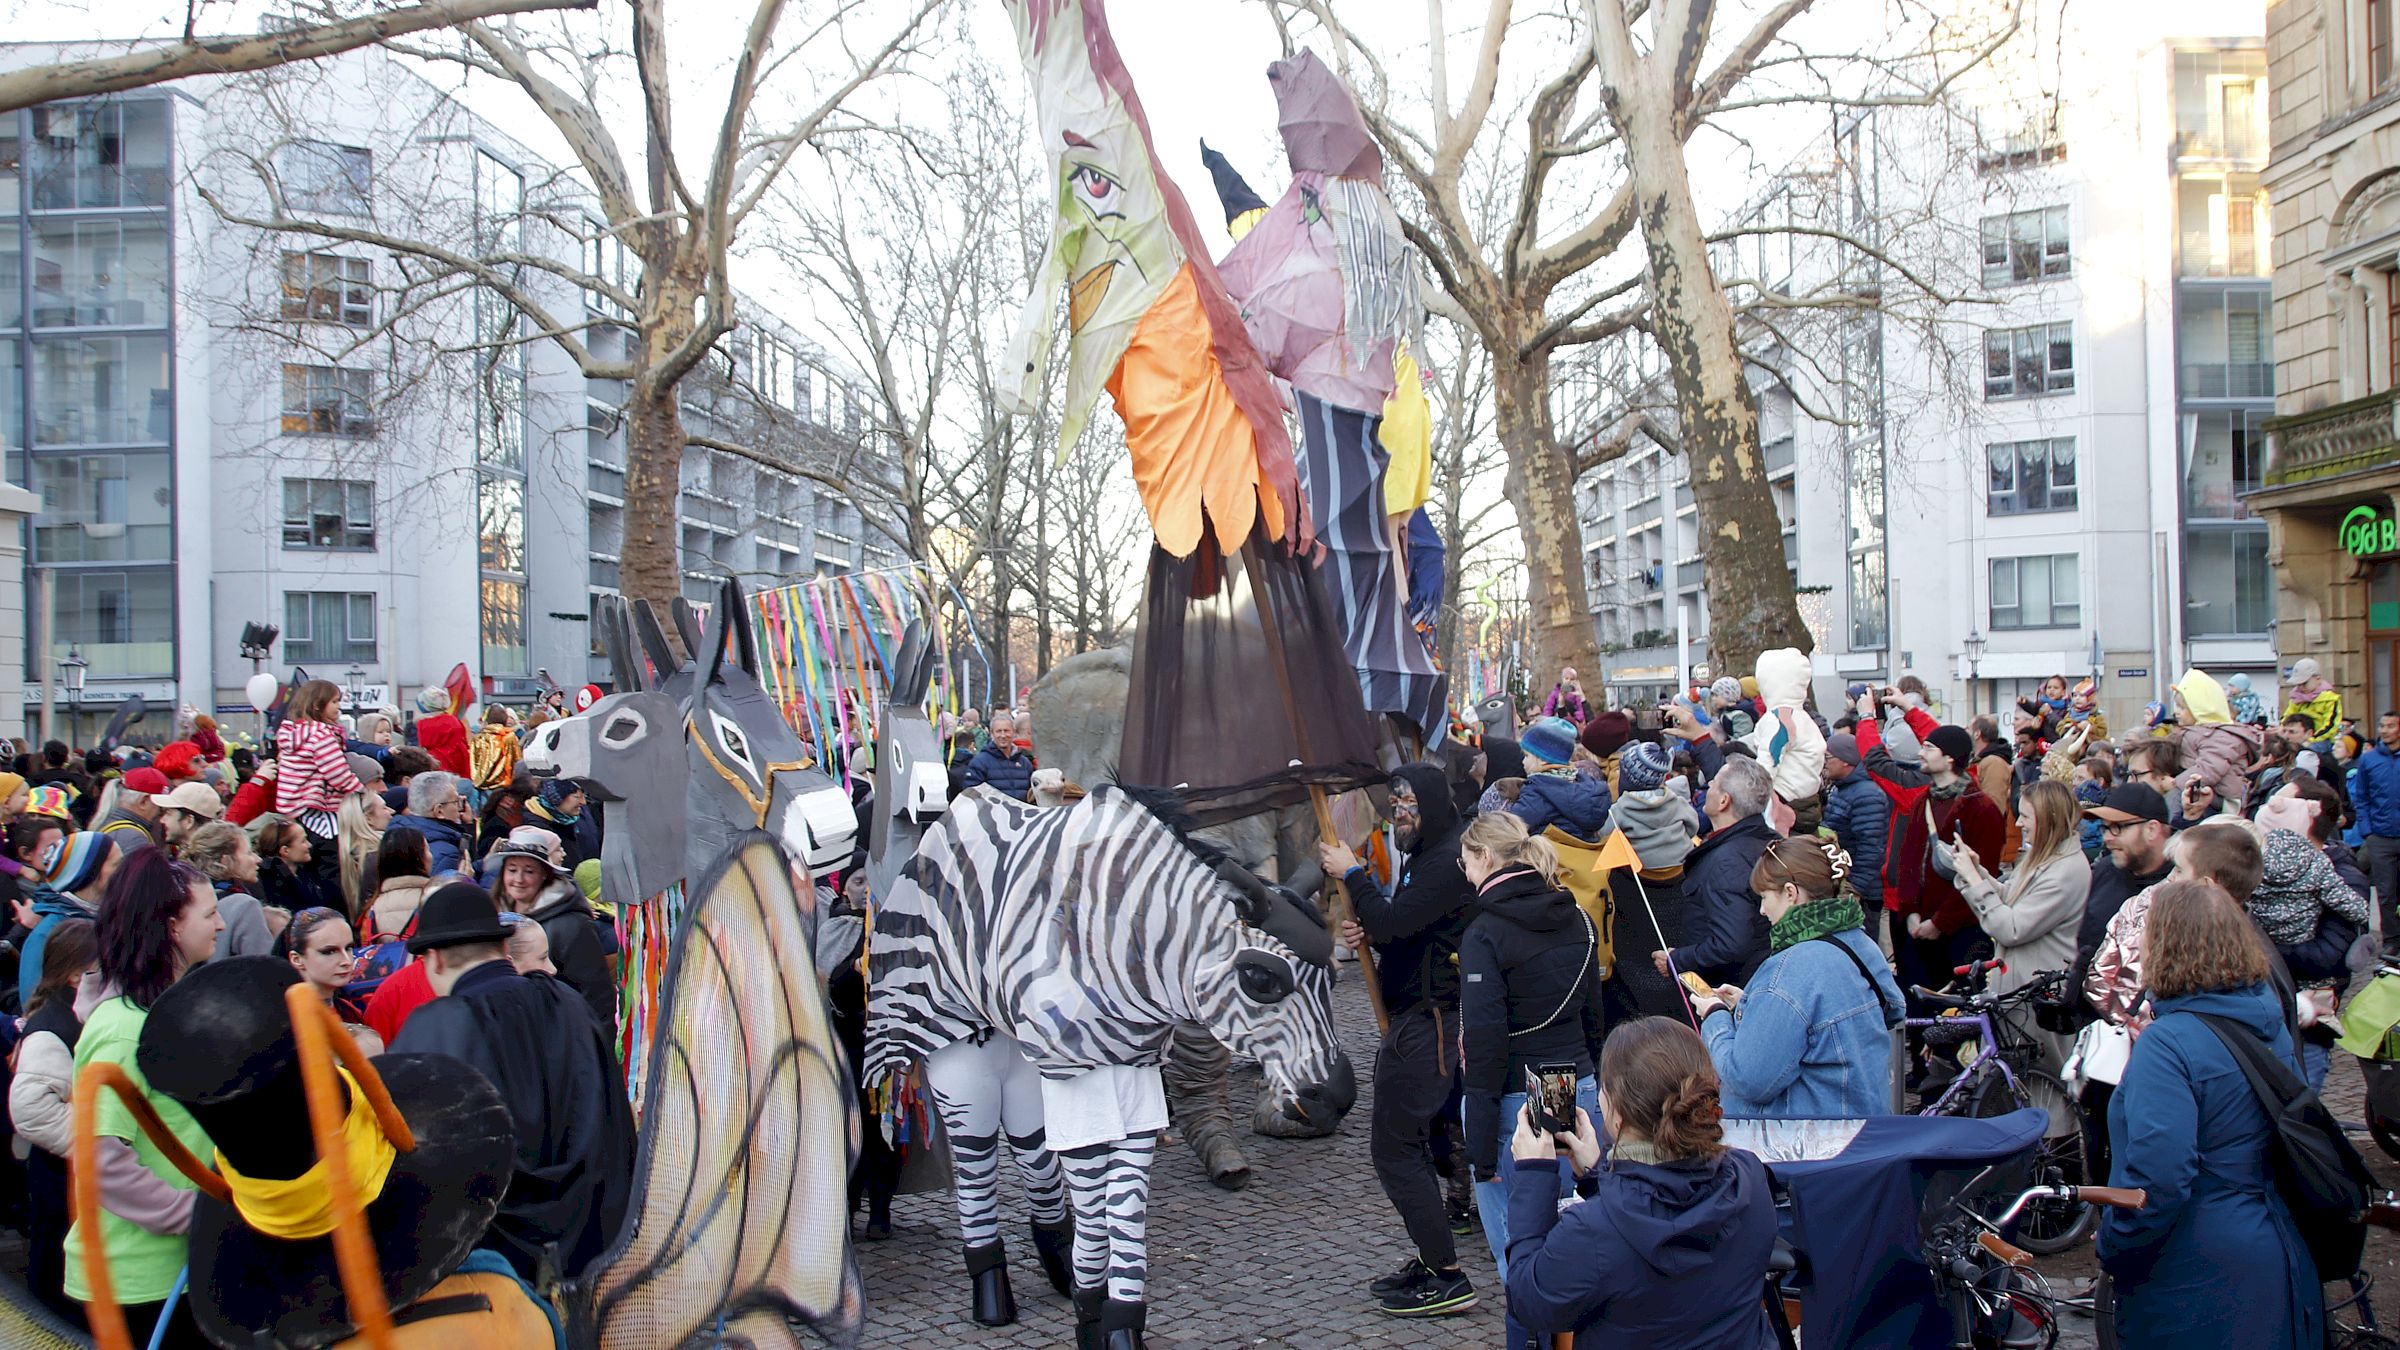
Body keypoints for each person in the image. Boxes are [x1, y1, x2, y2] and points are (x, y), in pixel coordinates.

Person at [2097, 878, 2319, 1350]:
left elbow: (2159, 1176)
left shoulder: (2169, 1043)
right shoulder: (2265, 1019)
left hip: (2195, 1263)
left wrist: (2115, 1244)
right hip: (2272, 1247)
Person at [389, 880, 634, 1284]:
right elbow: (611, 1115)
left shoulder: (430, 1030)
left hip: (498, 1268)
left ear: (432, 960)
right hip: (596, 1238)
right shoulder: (567, 1003)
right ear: (502, 949)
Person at [1501, 1016, 1778, 1349]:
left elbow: (1531, 1303)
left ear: (1616, 1114)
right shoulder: (1748, 1177)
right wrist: (1599, 1174)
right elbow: (1662, 1206)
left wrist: (1533, 1176)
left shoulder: (1593, 1230)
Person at [1320, 762, 1477, 1318]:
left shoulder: (1443, 861)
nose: (1399, 817)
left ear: (1431, 806)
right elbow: (1403, 928)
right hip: (1417, 1019)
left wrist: (1354, 876)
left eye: (1408, 806)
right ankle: (1434, 1260)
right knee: (1405, 1146)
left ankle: (1446, 1272)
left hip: (1427, 1024)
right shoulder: (1426, 859)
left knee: (1396, 1148)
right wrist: (1371, 922)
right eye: (1394, 807)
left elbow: (1395, 923)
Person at [65, 850, 222, 1346]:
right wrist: (199, 1216)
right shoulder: (123, 1030)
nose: (221, 924)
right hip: (141, 1280)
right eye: (210, 913)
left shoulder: (159, 1011)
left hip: (173, 1270)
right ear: (173, 926)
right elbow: (101, 1162)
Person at [1454, 813, 1605, 1288]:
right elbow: (1594, 1020)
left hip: (1516, 1097)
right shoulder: (1579, 915)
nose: (1465, 874)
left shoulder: (1484, 933)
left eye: (1465, 863)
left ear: (1484, 858)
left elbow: (1484, 1044)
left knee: (1524, 1258)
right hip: (1575, 1083)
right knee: (1581, 1242)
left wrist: (1478, 1153)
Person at [1693, 834, 1903, 1118]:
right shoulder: (1860, 941)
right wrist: (1752, 1003)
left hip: (1811, 1146)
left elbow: (1748, 1080)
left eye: (1765, 897)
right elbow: (1893, 1009)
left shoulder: (1788, 968)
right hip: (1868, 1130)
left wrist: (1716, 1015)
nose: (1762, 910)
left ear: (1790, 893)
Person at [1855, 700, 2005, 996]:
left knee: (1955, 1005)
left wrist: (1939, 923)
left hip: (1959, 928)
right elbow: (1908, 860)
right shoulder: (1923, 799)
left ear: (1949, 759)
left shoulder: (1980, 808)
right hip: (1916, 924)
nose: (1921, 753)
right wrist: (1910, 912)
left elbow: (1981, 873)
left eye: (1928, 748)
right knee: (1917, 999)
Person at [1949, 781, 2090, 1072]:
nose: (2020, 823)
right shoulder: (2045, 858)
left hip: (2037, 1003)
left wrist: (1975, 882)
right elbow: (2010, 901)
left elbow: (2010, 928)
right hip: (2021, 996)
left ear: (2048, 819)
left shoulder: (2065, 871)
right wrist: (1978, 874)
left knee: (2038, 1086)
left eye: (2026, 816)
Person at [8, 916, 95, 1319]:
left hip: (65, 1178)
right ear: (78, 975)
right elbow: (31, 1109)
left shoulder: (70, 1017)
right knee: (54, 1273)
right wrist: (93, 1147)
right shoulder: (52, 1028)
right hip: (59, 1177)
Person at [1652, 756, 1780, 989]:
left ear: (1724, 801)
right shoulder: (1770, 841)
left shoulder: (1727, 862)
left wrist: (1678, 959)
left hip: (1730, 991)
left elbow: (1731, 943)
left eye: (1714, 782)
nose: (1708, 785)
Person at [484, 838, 617, 1051]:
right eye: (512, 870)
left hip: (560, 1042)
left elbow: (596, 997)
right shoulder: (492, 916)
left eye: (529, 871)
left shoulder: (572, 925)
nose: (518, 879)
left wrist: (596, 1052)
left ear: (544, 874)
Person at [18, 831, 118, 1011]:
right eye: (117, 864)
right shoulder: (46, 936)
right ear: (92, 874)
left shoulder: (113, 917)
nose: (125, 871)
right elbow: (33, 1008)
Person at [278, 905, 383, 1054]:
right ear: (297, 959)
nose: (346, 960)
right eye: (329, 952)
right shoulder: (287, 1022)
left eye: (348, 948)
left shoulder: (348, 1009)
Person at [1819, 732, 1889, 941]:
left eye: (1828, 757)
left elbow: (1871, 846)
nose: (1824, 763)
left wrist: (1854, 888)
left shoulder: (1867, 794)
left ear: (1846, 761)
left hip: (1863, 893)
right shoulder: (1842, 788)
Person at [177, 820, 275, 960]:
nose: (258, 859)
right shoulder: (244, 905)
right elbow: (264, 967)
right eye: (249, 852)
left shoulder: (184, 896)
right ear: (225, 861)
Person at [1506, 717, 1612, 841]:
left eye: (1526, 755)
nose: (1523, 761)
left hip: (1550, 856)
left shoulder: (1537, 792)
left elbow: (1512, 826)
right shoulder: (1581, 783)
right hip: (1578, 854)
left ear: (1543, 759)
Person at [2352, 710, 2400, 952]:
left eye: (2390, 726)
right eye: (2382, 725)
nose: (2384, 730)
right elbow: (2361, 798)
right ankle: (2391, 941)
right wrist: (2367, 831)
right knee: (2385, 893)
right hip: (2380, 836)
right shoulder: (2369, 760)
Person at [396, 771, 474, 878]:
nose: (460, 808)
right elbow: (450, 893)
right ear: (439, 811)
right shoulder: (447, 855)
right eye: (456, 802)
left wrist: (484, 864)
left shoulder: (398, 833)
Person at [335, 787, 392, 915]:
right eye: (384, 808)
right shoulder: (377, 856)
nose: (391, 812)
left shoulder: (350, 856)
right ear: (368, 819)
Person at [961, 712, 1037, 800]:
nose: (1003, 735)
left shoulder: (1025, 763)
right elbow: (971, 795)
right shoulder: (979, 763)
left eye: (1006, 731)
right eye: (999, 731)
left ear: (1014, 732)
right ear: (992, 733)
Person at [98, 765, 169, 854]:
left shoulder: (105, 822)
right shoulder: (135, 840)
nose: (162, 815)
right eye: (160, 808)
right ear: (143, 801)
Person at [413, 687, 472, 779]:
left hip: (435, 771)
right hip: (460, 771)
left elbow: (422, 748)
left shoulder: (424, 725)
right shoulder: (454, 721)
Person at [469, 704, 522, 792]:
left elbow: (473, 762)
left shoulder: (478, 738)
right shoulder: (509, 737)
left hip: (480, 786)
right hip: (504, 786)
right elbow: (517, 761)